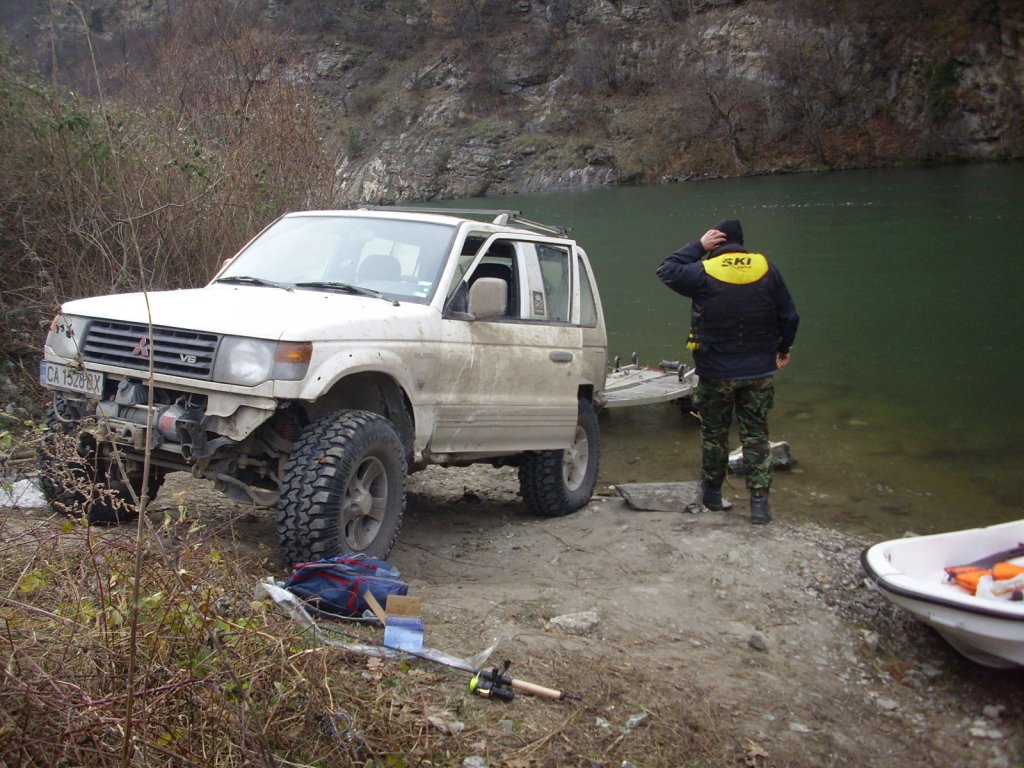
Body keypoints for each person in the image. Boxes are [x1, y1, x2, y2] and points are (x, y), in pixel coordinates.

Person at [656, 219, 799, 524]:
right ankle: (759, 506)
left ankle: (713, 496)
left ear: (716, 241)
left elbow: (666, 270)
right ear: (741, 242)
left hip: (715, 371)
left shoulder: (704, 271)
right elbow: (790, 316)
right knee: (757, 435)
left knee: (715, 434)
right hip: (758, 371)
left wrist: (698, 246)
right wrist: (783, 347)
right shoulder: (765, 268)